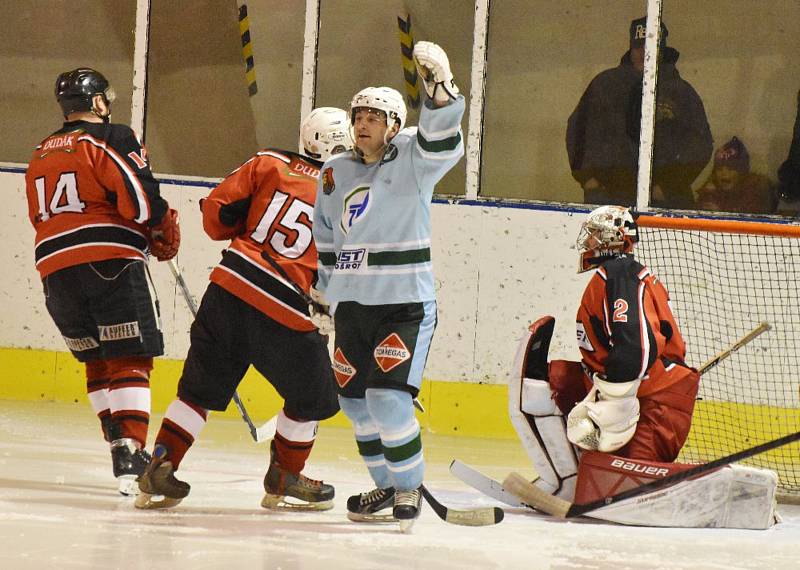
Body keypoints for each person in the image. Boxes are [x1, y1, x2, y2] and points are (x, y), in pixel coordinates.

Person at [134, 107, 353, 511]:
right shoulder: (351, 189)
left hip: (229, 292)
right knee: (314, 398)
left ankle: (161, 465)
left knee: (197, 391)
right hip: (286, 309)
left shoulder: (269, 161)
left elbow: (217, 216)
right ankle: (285, 475)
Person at [508, 205, 778, 528]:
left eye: (595, 234)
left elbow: (636, 348)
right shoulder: (616, 276)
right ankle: (566, 480)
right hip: (637, 392)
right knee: (552, 380)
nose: (588, 241)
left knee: (627, 489)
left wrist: (610, 397)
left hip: (654, 404)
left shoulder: (619, 274)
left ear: (613, 238)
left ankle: (739, 493)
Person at [312, 41, 465, 532]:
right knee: (355, 404)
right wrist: (323, 296)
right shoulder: (335, 172)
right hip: (354, 307)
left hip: (405, 306)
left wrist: (440, 89)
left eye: (375, 117)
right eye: (359, 115)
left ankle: (407, 489)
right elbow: (327, 236)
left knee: (387, 400)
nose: (363, 123)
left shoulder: (413, 159)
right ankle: (388, 483)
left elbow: (443, 138)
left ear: (395, 125)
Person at [24, 68, 180, 495]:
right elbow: (139, 201)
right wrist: (160, 224)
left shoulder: (39, 152)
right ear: (97, 102)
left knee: (96, 358)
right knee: (129, 355)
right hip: (108, 261)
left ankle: (119, 446)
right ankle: (131, 449)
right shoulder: (112, 137)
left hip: (55, 271)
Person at [566, 16, 712, 209]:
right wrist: (587, 178)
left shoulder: (681, 92)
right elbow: (577, 131)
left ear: (662, 50)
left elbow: (700, 144)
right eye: (639, 47)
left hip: (664, 203)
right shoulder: (605, 85)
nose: (644, 53)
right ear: (631, 48)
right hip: (607, 200)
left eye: (651, 47)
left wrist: (668, 187)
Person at [696, 136, 776, 214]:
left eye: (730, 168)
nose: (724, 173)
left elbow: (751, 221)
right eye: (719, 168)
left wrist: (722, 212)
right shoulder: (710, 191)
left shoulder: (755, 192)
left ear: (742, 172)